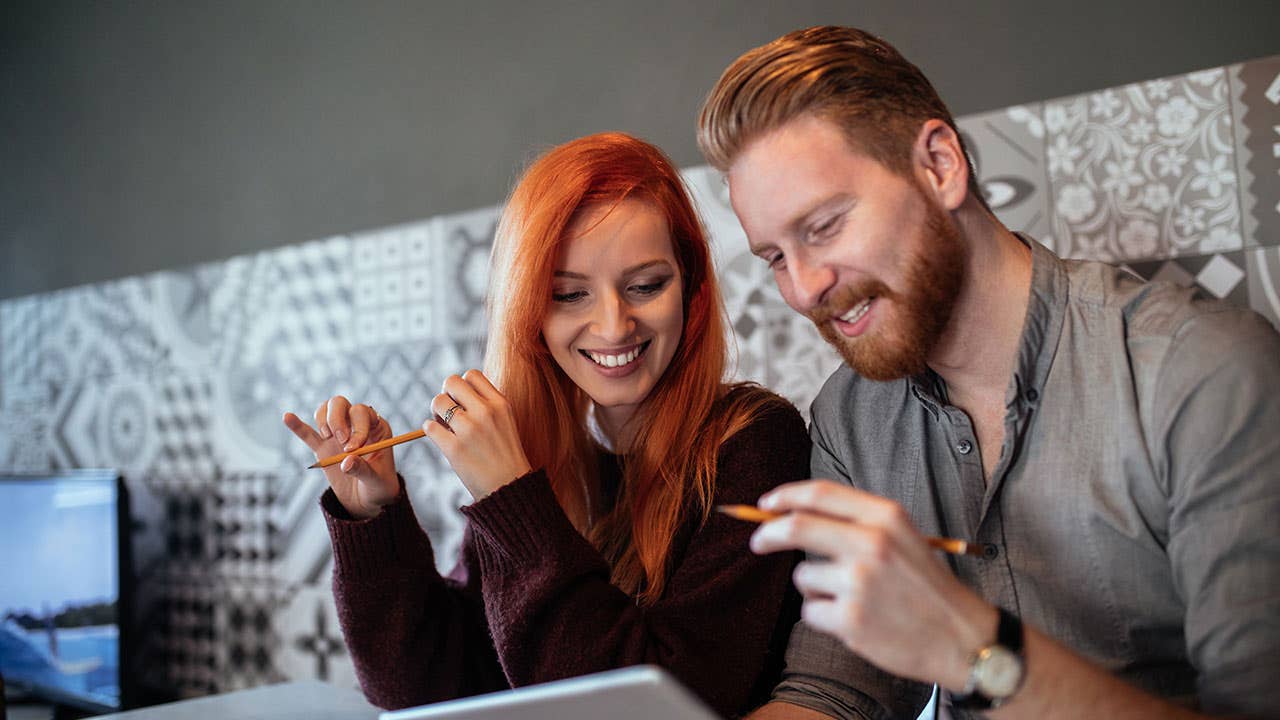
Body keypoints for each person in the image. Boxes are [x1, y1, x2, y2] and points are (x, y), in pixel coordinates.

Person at [695, 25, 1280, 720]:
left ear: (940, 166)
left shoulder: (1202, 373)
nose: (804, 288)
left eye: (823, 227)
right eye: (775, 258)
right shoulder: (849, 423)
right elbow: (838, 690)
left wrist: (975, 647)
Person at [282, 132, 808, 717]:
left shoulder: (756, 443)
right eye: (569, 295)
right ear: (529, 311)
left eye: (646, 286)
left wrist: (511, 497)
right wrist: (372, 517)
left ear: (693, 290)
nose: (613, 327)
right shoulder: (540, 452)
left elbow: (656, 707)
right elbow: (428, 688)